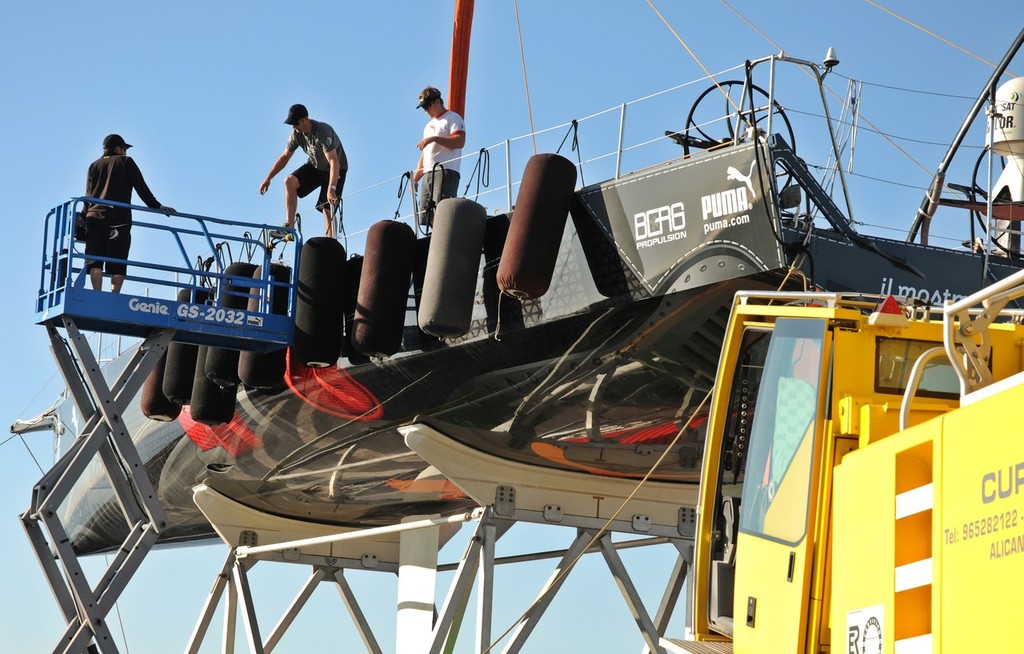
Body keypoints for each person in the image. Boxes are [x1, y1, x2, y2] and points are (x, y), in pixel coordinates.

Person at [83, 134, 175, 293]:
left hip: (94, 218)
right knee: (118, 263)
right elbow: (141, 187)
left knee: (95, 262)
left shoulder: (93, 165)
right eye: (124, 148)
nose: (125, 152)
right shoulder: (125, 162)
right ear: (118, 148)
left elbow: (88, 194)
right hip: (117, 219)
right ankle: (114, 296)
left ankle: (96, 294)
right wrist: (156, 206)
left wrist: (84, 216)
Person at [259, 104, 348, 239]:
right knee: (289, 181)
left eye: (296, 123)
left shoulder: (323, 131)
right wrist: (268, 178)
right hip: (315, 166)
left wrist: (332, 188)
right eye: (292, 124)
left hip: (336, 168)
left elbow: (334, 161)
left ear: (306, 119)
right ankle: (289, 227)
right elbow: (284, 157)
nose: (294, 127)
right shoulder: (296, 134)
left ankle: (331, 242)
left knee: (326, 207)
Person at [413, 86, 466, 226]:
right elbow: (425, 156)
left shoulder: (452, 118)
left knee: (442, 213)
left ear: (437, 102)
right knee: (426, 215)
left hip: (446, 172)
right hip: (428, 174)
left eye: (427, 106)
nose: (426, 111)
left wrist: (434, 139)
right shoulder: (428, 126)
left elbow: (459, 141)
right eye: (424, 108)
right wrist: (415, 178)